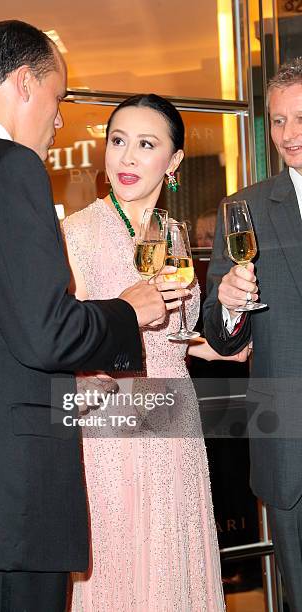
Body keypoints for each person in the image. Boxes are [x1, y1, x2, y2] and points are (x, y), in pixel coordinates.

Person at [0, 22, 170, 612]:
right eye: (59, 98)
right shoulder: (8, 167)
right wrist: (128, 312)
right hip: (9, 502)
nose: (60, 118)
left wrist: (63, 388)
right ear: (25, 83)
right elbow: (46, 331)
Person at [63, 94, 249, 611]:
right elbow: (60, 335)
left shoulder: (173, 233)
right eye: (118, 141)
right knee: (119, 560)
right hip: (110, 421)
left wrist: (211, 348)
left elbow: (173, 330)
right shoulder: (76, 235)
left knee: (174, 554)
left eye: (146, 145)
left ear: (173, 162)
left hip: (173, 418)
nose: (126, 158)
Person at [203, 57, 302, 612]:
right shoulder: (243, 208)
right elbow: (219, 337)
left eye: (300, 118)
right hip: (290, 441)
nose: (289, 135)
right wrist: (229, 303)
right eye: (278, 121)